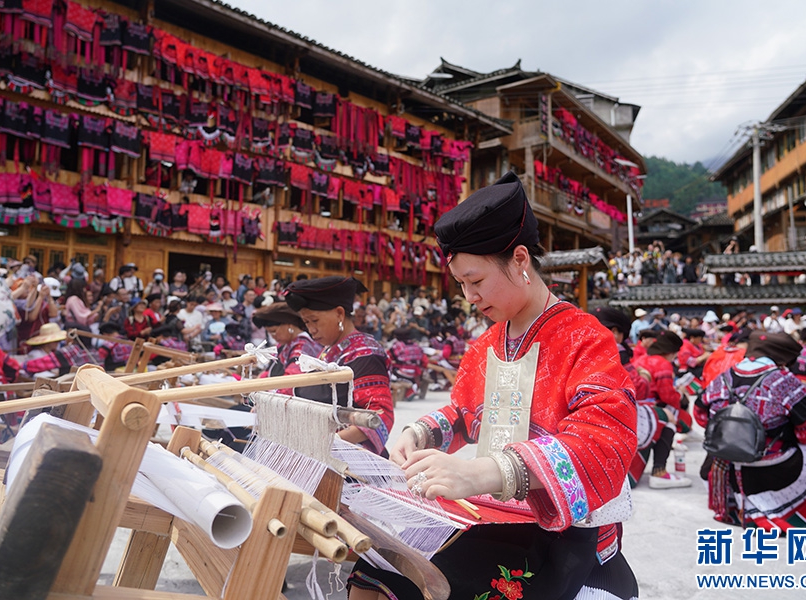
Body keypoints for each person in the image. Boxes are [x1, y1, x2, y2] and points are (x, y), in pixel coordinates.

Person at [349, 172, 638, 600]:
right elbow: (466, 412)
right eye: (462, 284)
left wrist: (487, 471)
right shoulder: (490, 341)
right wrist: (420, 433)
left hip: (560, 530)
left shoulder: (583, 337)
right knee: (379, 564)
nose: (468, 296)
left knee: (435, 579)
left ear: (520, 259)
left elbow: (605, 442)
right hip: (494, 510)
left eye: (476, 281)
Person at [696, 332, 806, 532]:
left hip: (727, 464)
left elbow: (701, 416)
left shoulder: (723, 378)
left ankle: (735, 506)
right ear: (783, 358)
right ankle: (798, 510)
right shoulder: (783, 381)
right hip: (769, 472)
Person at [283, 276, 394, 457]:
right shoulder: (329, 350)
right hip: (322, 453)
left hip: (349, 462)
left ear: (339, 314)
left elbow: (380, 416)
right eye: (306, 323)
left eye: (315, 320)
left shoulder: (365, 353)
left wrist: (325, 444)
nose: (311, 330)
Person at [631, 330, 693, 488]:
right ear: (671, 352)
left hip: (633, 408)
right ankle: (659, 471)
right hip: (649, 410)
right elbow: (667, 396)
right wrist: (679, 395)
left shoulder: (641, 359)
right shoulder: (663, 364)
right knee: (671, 421)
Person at [252, 301, 321, 378]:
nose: (273, 337)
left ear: (289, 325)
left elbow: (292, 379)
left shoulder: (302, 347)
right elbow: (268, 371)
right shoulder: (284, 345)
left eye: (274, 331)